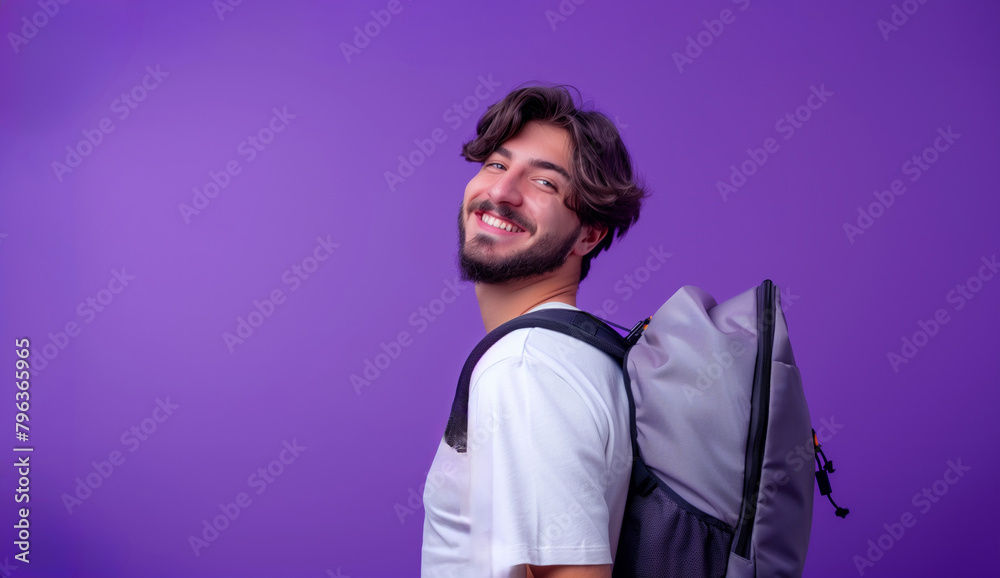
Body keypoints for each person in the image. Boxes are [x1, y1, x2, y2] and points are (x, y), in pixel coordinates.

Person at [421, 83, 649, 578]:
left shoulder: (524, 365)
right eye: (497, 166)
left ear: (588, 235)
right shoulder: (583, 351)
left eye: (544, 183)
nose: (501, 192)